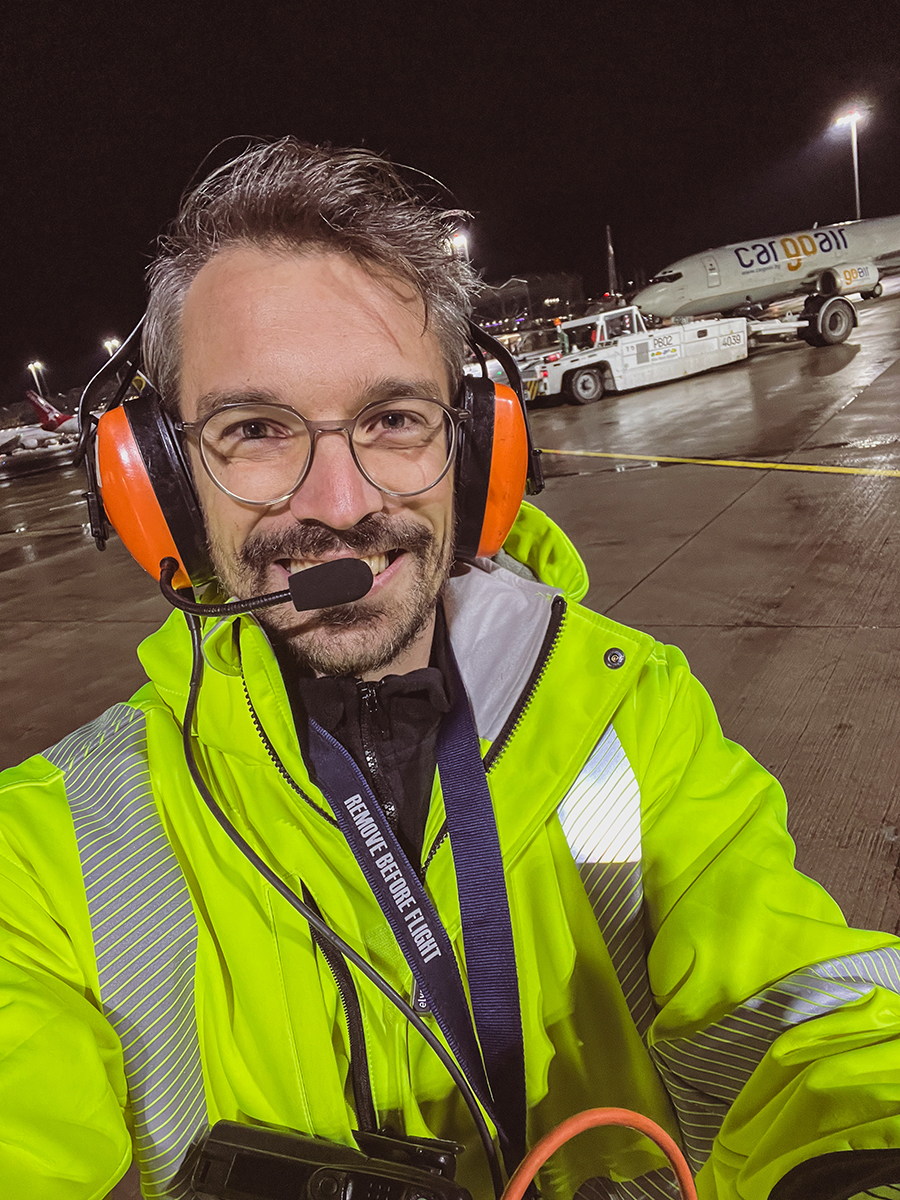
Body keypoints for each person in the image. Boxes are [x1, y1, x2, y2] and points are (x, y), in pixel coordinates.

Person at [1, 138, 899, 1200]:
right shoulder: (51, 852)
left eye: (392, 420)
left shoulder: (634, 714)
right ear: (160, 480)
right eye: (255, 429)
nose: (339, 504)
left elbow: (804, 1007)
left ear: (473, 453)